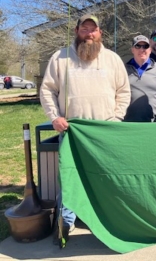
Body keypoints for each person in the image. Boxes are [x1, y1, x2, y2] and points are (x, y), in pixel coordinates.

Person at [40, 13, 130, 240]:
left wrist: (117, 118)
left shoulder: (112, 59)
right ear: (76, 31)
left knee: (106, 177)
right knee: (71, 178)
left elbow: (123, 92)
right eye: (84, 29)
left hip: (104, 132)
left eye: (93, 30)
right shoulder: (60, 58)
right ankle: (66, 223)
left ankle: (106, 220)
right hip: (72, 132)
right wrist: (54, 117)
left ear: (100, 33)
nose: (89, 34)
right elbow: (47, 90)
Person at [124, 35, 156, 122]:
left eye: (145, 46)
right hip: (127, 124)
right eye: (138, 46)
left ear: (150, 50)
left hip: (153, 124)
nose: (141, 49)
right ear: (132, 50)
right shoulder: (122, 70)